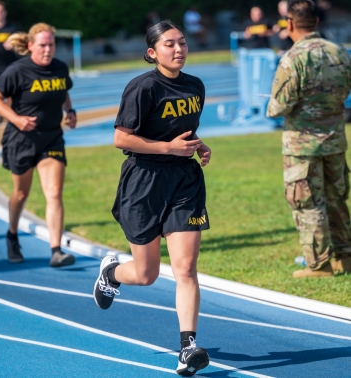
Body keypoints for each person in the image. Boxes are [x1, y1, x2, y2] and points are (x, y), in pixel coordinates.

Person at [93, 20, 211, 376]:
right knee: (146, 275)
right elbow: (120, 139)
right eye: (170, 44)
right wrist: (167, 148)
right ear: (152, 52)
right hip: (143, 181)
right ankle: (112, 274)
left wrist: (196, 145)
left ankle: (187, 348)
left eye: (182, 42)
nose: (179, 49)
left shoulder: (195, 86)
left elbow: (184, 130)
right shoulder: (142, 88)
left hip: (184, 182)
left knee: (186, 269)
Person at [267, 0, 351, 277]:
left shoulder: (293, 58)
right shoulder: (340, 52)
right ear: (316, 22)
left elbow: (278, 107)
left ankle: (319, 264)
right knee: (337, 199)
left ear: (290, 24)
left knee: (308, 203)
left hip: (302, 147)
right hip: (336, 142)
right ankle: (345, 257)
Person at [0, 23, 77, 268]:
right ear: (30, 46)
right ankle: (12, 234)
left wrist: (69, 111)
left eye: (51, 45)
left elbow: (64, 91)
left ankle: (56, 250)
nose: (48, 50)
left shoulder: (60, 67)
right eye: (42, 45)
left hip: (51, 137)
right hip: (21, 140)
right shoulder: (17, 70)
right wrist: (16, 119)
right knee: (21, 193)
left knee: (54, 193)